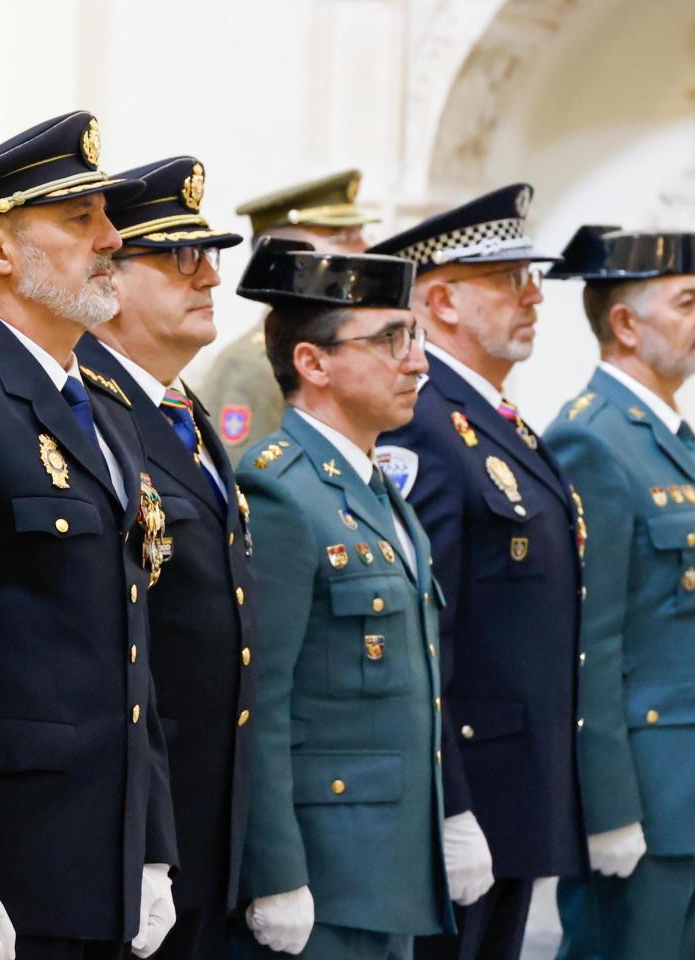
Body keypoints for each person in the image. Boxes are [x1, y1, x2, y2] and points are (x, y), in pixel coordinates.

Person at [0, 111, 179, 960]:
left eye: (105, 218)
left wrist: (154, 842)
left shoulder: (100, 409)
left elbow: (133, 650)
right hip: (15, 855)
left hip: (106, 850)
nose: (111, 240)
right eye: (79, 219)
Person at [72, 155, 293, 960]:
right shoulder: (88, 408)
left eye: (209, 256)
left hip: (205, 815)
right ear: (109, 280)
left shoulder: (177, 406)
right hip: (135, 818)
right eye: (177, 259)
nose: (208, 278)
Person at [365, 184, 584, 960]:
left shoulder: (490, 417)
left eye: (531, 278)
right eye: (507, 279)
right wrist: (449, 801)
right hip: (467, 786)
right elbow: (427, 633)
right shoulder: (423, 426)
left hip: (515, 786)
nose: (533, 297)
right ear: (443, 302)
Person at [230, 238, 455, 960]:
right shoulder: (282, 489)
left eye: (414, 336)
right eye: (391, 339)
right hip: (324, 868)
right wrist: (278, 873)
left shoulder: (376, 488)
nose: (416, 360)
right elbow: (261, 702)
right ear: (314, 362)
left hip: (389, 863)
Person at [543, 226, 695, 960]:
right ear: (626, 323)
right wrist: (607, 810)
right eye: (688, 300)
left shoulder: (678, 442)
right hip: (644, 800)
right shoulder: (592, 440)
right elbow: (588, 640)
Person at [198, 170, 377, 457]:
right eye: (343, 237)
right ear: (288, 259)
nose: (365, 248)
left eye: (360, 234)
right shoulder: (250, 366)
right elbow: (247, 486)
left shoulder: (348, 348)